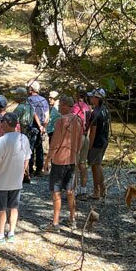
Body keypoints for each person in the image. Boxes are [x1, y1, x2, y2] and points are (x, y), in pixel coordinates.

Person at [43, 94, 83, 230]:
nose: (58, 107)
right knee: (70, 190)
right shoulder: (78, 120)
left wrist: (47, 159)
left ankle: (55, 223)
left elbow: (55, 143)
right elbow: (80, 141)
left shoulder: (61, 121)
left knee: (56, 191)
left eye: (60, 105)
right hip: (72, 160)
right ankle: (72, 219)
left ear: (65, 105)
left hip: (60, 160)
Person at [0, 114, 30, 244]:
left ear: (6, 123)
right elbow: (27, 158)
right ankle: (11, 233)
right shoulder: (23, 138)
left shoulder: (2, 140)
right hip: (16, 180)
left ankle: (0, 235)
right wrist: (22, 172)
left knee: (1, 208)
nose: (1, 124)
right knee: (14, 207)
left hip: (1, 180)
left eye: (2, 122)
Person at [86, 88, 110, 200]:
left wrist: (89, 148)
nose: (90, 99)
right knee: (98, 165)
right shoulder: (105, 110)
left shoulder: (95, 113)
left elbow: (93, 133)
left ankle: (97, 191)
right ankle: (103, 189)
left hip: (97, 143)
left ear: (97, 98)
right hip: (104, 140)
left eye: (92, 97)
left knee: (95, 167)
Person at [26, 81, 49, 178]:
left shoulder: (29, 100)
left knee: (30, 148)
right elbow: (47, 115)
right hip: (42, 127)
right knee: (39, 147)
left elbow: (33, 113)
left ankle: (30, 170)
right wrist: (44, 127)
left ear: (31, 89)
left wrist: (39, 125)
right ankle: (39, 170)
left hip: (33, 126)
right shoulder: (44, 100)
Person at [72, 89, 92, 198]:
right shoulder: (88, 108)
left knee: (75, 164)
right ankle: (83, 190)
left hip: (78, 137)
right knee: (83, 164)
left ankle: (73, 190)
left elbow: (74, 122)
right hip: (86, 136)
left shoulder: (76, 107)